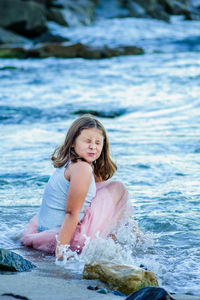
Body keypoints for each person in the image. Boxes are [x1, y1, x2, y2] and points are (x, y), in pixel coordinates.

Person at [21, 114, 130, 259]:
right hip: (67, 239)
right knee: (119, 188)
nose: (93, 146)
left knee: (105, 187)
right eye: (87, 141)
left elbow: (98, 186)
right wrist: (61, 254)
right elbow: (71, 213)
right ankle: (118, 239)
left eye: (98, 142)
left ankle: (125, 235)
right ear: (73, 142)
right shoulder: (82, 169)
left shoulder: (71, 164)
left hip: (43, 232)